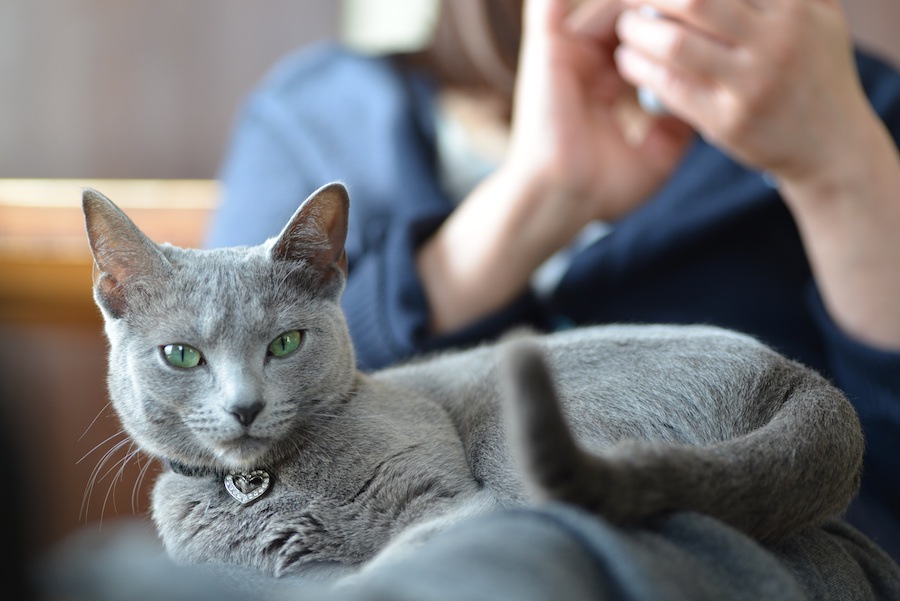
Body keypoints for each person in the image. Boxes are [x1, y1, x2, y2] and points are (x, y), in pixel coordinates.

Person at [207, 0, 900, 567]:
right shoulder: (316, 115)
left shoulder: (857, 108)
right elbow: (240, 463)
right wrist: (533, 201)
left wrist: (841, 170)